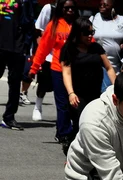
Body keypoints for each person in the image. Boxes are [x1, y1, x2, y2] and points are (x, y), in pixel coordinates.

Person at [60, 16, 116, 154]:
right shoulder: (69, 49)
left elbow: (109, 68)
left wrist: (116, 87)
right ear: (78, 33)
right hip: (78, 95)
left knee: (96, 125)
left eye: (92, 32)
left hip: (96, 94)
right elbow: (66, 72)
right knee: (81, 124)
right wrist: (71, 93)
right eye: (86, 33)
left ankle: (89, 153)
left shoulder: (96, 48)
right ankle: (73, 149)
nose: (90, 36)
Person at [29, 0, 78, 142]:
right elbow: (43, 48)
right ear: (61, 9)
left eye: (72, 8)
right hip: (57, 69)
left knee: (74, 103)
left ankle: (71, 130)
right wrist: (34, 67)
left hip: (76, 70)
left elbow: (90, 42)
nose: (70, 11)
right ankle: (63, 133)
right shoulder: (54, 25)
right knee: (62, 103)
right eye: (66, 8)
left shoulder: (79, 25)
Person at [0, 0, 35, 130]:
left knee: (14, 83)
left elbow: (30, 22)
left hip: (16, 46)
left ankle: (9, 117)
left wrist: (25, 45)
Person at [89, 0, 123, 91]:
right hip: (101, 66)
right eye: (100, 4)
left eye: (105, 5)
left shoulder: (122, 21)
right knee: (106, 91)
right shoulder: (94, 19)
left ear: (113, 7)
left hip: (119, 67)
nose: (102, 7)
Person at [30, 0, 55, 122]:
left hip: (64, 56)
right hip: (48, 55)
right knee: (44, 84)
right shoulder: (49, 9)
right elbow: (39, 31)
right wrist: (41, 54)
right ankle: (37, 107)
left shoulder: (72, 10)